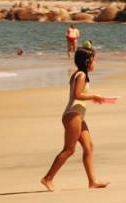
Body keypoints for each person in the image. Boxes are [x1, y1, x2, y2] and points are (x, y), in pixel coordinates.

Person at [40, 45, 110, 192]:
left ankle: (92, 181)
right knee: (69, 149)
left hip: (77, 115)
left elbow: (78, 95)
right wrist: (94, 96)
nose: (95, 63)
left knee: (88, 146)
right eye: (93, 60)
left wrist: (93, 98)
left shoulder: (79, 74)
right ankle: (48, 178)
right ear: (87, 61)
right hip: (73, 115)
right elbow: (77, 95)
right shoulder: (81, 76)